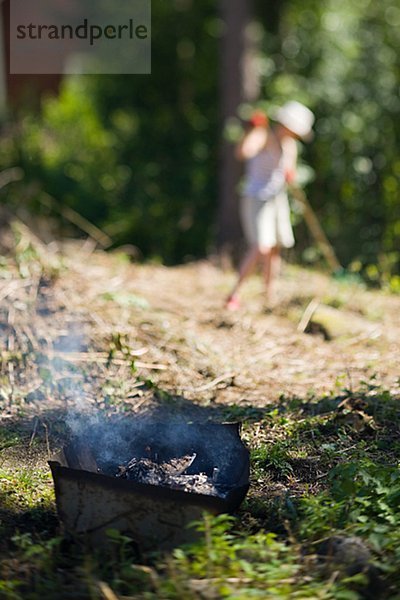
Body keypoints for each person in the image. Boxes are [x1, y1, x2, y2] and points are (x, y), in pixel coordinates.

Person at [226, 100, 315, 310]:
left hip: (277, 199)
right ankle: (234, 294)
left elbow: (288, 173)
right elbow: (243, 152)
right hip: (257, 197)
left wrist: (289, 175)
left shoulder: (289, 145)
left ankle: (269, 296)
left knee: (274, 248)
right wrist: (251, 129)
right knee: (261, 246)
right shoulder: (262, 135)